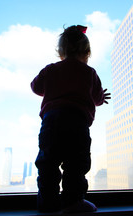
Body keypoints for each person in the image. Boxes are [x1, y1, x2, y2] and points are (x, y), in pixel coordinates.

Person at [31, 25, 110, 213]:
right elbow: (97, 97)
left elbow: (35, 87)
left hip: (51, 122)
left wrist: (51, 87)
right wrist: (100, 99)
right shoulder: (90, 73)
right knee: (76, 164)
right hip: (77, 123)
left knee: (48, 162)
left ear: (60, 51)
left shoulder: (50, 69)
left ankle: (47, 202)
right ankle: (73, 201)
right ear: (87, 52)